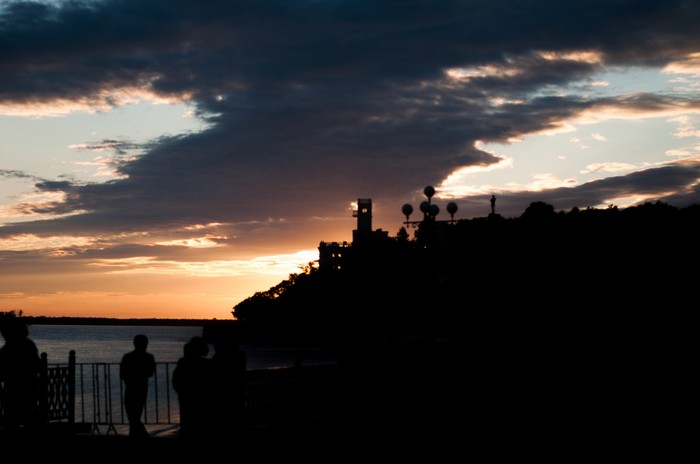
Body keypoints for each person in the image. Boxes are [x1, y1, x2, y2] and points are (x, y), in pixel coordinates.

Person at [0, 317, 41, 434]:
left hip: (15, 393)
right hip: (31, 390)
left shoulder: (8, 349)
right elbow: (37, 365)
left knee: (10, 418)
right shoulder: (29, 345)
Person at [172, 336, 210, 441]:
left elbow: (176, 379)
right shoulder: (205, 364)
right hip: (199, 397)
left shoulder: (183, 362)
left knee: (186, 420)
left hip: (185, 395)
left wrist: (179, 390)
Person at [119, 334, 156, 439]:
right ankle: (142, 436)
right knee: (135, 416)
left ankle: (140, 436)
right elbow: (150, 373)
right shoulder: (149, 357)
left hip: (131, 388)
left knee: (133, 417)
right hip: (141, 388)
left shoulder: (127, 357)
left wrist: (130, 378)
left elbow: (122, 374)